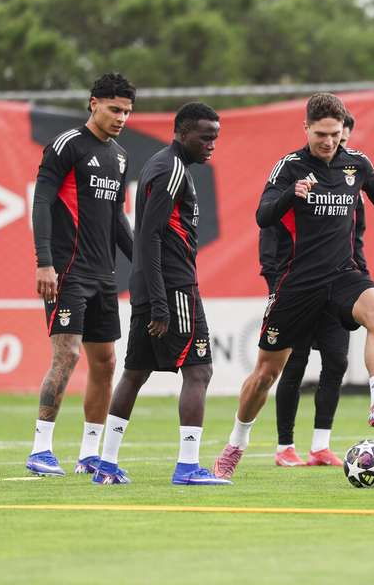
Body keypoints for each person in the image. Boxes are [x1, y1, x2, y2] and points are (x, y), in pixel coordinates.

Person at [213, 93, 374, 479]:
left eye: (335, 134)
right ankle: (234, 445)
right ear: (305, 128)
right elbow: (262, 216)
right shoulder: (290, 168)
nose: (328, 142)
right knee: (266, 374)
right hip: (298, 282)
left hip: (342, 274)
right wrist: (291, 196)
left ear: (344, 132)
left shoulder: (356, 164)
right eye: (320, 134)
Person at [92, 102, 231, 485]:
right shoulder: (170, 169)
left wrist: (148, 293)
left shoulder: (166, 166)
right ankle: (187, 467)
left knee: (134, 374)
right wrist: (159, 301)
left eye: (215, 138)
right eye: (205, 137)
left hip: (153, 287)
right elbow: (150, 235)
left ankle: (106, 464)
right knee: (199, 370)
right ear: (182, 133)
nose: (211, 145)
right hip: (172, 288)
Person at [26, 73, 135, 477]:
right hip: (66, 271)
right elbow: (42, 202)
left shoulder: (120, 156)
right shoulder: (67, 145)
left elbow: (116, 218)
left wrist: (141, 262)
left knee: (105, 363)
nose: (121, 117)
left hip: (103, 274)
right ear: (93, 104)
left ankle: (90, 453)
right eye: (114, 109)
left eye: (126, 111)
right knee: (67, 354)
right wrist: (44, 262)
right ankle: (40, 449)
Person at [261, 113, 365, 468]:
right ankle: (284, 446)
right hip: (298, 284)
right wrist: (274, 278)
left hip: (339, 285)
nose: (335, 146)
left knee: (337, 360)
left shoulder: (352, 181)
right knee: (295, 362)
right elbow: (269, 225)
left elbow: (357, 238)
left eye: (341, 139)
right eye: (328, 136)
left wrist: (359, 274)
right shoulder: (294, 173)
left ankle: (321, 445)